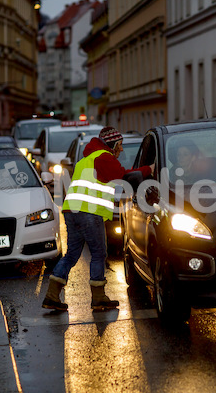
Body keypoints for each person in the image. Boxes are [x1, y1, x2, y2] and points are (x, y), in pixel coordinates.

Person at [42, 126, 155, 311]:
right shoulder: (104, 157)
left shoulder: (86, 159)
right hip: (89, 212)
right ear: (112, 144)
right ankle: (99, 298)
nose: (121, 149)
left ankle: (52, 296)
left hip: (72, 212)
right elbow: (125, 177)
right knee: (99, 254)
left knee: (71, 255)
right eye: (120, 145)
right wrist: (148, 170)